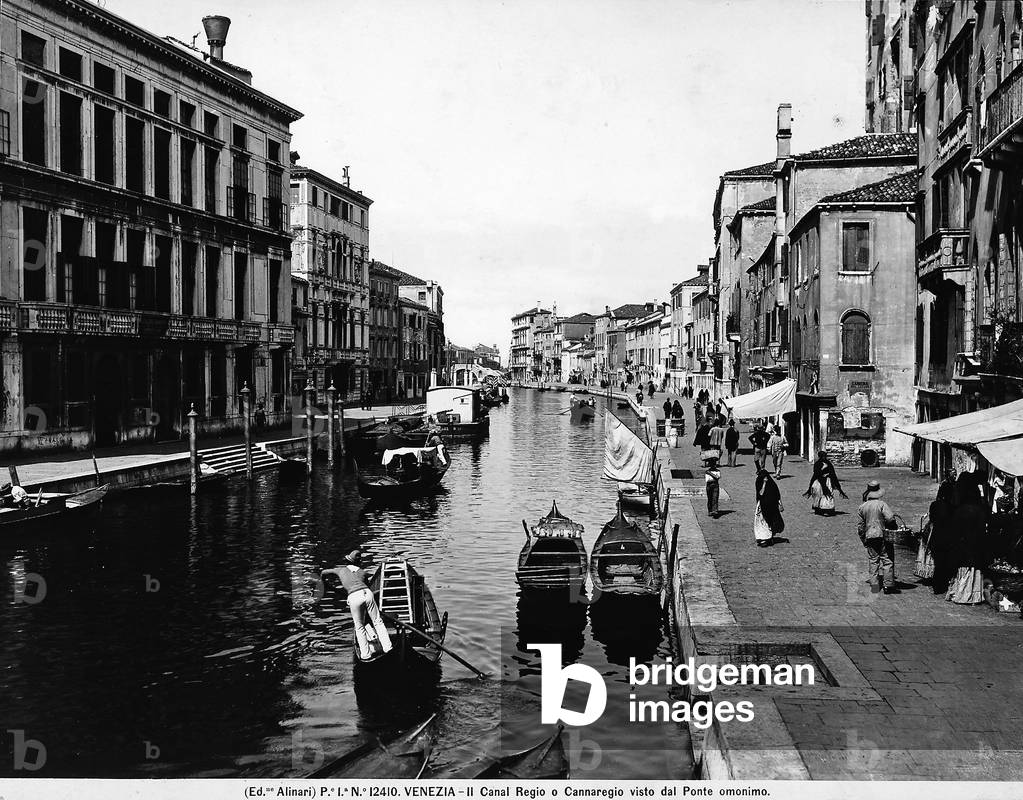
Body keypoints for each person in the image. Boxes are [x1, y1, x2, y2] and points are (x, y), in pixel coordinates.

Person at [321, 551, 393, 660]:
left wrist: (324, 583)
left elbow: (323, 572)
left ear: (347, 561)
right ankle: (388, 648)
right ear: (358, 563)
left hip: (354, 597)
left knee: (359, 627)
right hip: (367, 593)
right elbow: (367, 586)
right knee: (378, 622)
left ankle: (366, 655)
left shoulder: (340, 570)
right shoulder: (362, 572)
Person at [944, 473, 988, 605]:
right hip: (974, 544)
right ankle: (972, 595)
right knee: (974, 568)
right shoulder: (978, 510)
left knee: (962, 568)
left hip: (961, 544)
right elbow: (982, 529)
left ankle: (960, 592)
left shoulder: (959, 510)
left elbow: (954, 529)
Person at [857, 480, 897, 593]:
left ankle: (874, 586)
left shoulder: (862, 507)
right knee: (887, 559)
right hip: (883, 535)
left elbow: (860, 526)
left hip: (870, 536)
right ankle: (888, 585)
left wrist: (863, 539)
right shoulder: (882, 504)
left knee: (873, 560)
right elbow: (890, 518)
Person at [923, 476, 956, 593]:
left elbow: (932, 519)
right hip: (947, 537)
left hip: (936, 537)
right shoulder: (951, 507)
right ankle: (942, 584)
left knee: (938, 562)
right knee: (945, 562)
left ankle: (937, 585)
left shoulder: (935, 505)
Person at [753, 469, 784, 547]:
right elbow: (760, 493)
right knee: (762, 523)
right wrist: (764, 483)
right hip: (762, 506)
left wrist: (780, 505)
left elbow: (777, 495)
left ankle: (769, 538)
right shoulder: (759, 482)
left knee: (771, 522)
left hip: (772, 506)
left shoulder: (772, 484)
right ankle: (763, 538)